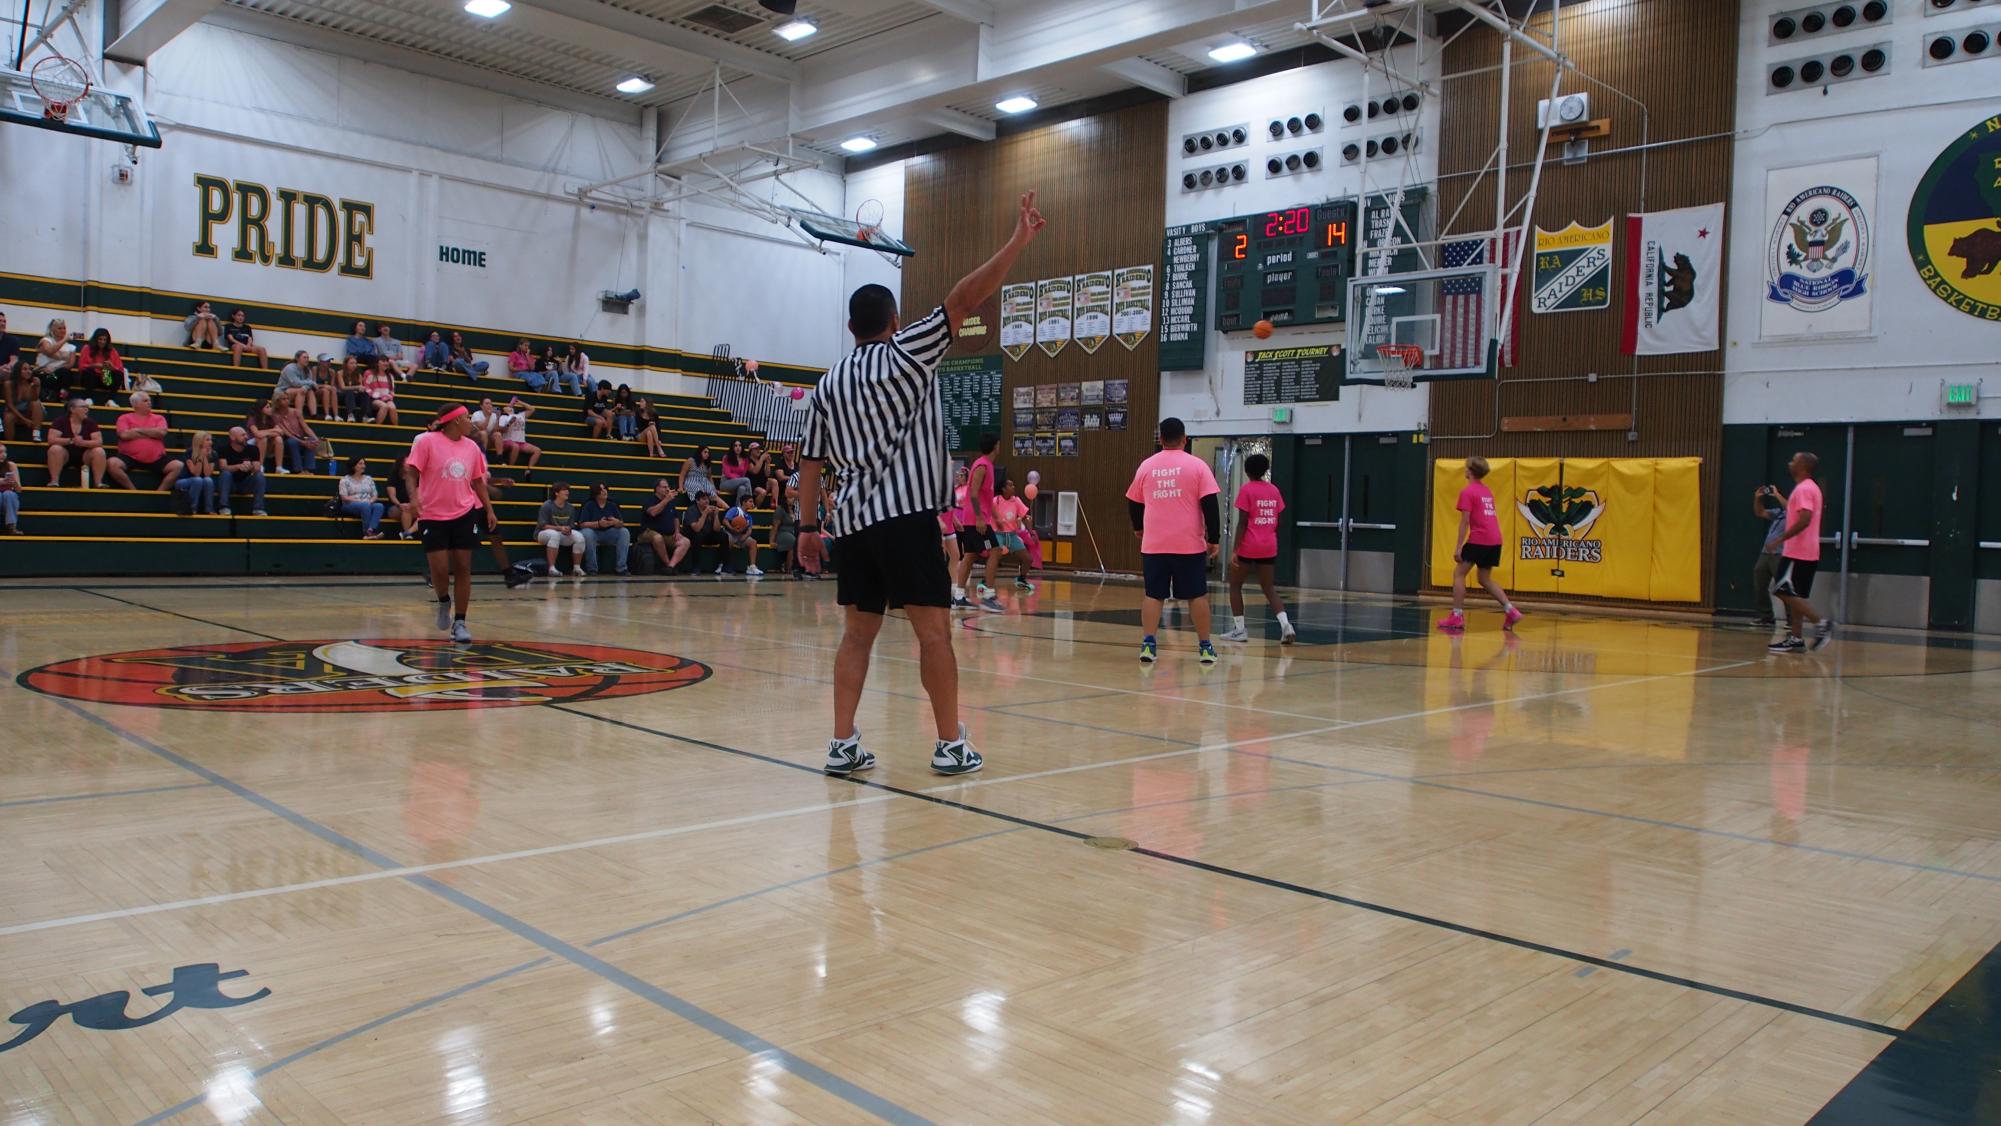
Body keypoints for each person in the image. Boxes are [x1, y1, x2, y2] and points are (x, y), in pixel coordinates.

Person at [798, 189, 1045, 778]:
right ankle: (949, 744)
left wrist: (809, 527)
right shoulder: (909, 353)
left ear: (849, 325)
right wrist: (1017, 242)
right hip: (907, 520)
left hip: (852, 524)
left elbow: (809, 463)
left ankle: (842, 744)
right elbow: (964, 297)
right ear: (894, 323)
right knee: (935, 634)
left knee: (857, 636)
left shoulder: (827, 383)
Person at [1127, 416, 1221, 665]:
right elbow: (1210, 504)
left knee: (1153, 595)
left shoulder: (1146, 466)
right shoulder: (1198, 466)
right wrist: (1215, 538)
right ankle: (1205, 647)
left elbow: (1133, 501)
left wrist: (1139, 528)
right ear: (1184, 439)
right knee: (1197, 595)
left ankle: (1148, 645)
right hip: (1188, 544)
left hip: (1155, 543)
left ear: (1159, 439)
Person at [404, 405, 495, 642]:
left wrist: (489, 509)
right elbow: (411, 473)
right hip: (432, 514)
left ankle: (461, 622)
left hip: (464, 512)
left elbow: (477, 480)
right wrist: (414, 498)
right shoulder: (425, 441)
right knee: (440, 569)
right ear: (454, 421)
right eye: (466, 417)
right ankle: (444, 601)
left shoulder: (472, 447)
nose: (470, 422)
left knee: (464, 567)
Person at [1438, 456, 1521, 633]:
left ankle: (1456, 616)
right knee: (1484, 578)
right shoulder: (1487, 491)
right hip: (1495, 539)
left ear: (1471, 471)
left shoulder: (1467, 492)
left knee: (1459, 573)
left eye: (1466, 467)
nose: (1464, 469)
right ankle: (1510, 610)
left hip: (1480, 538)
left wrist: (1459, 547)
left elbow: (1465, 521)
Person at [1220, 453, 1295, 644]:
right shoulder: (1274, 490)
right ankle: (1286, 626)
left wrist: (1235, 550)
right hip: (1269, 544)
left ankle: (1239, 630)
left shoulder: (1247, 490)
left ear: (1247, 471)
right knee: (1269, 588)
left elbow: (1243, 522)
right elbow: (1279, 519)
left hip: (1249, 545)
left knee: (1235, 585)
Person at [1769, 451, 1836, 654]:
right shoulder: (1809, 488)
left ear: (1803, 466)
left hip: (1797, 552)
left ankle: (1821, 623)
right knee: (1794, 594)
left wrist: (1781, 538)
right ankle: (1796, 639)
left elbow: (1805, 519)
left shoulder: (1805, 489)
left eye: (1794, 460)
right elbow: (1794, 510)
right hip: (1808, 552)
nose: (1790, 463)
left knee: (1781, 589)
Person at [951, 434, 1004, 609]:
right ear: (995, 446)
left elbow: (984, 496)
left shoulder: (987, 464)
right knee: (995, 550)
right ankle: (988, 595)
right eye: (998, 443)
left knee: (970, 555)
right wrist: (981, 517)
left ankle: (959, 596)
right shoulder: (982, 465)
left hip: (976, 519)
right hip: (976, 520)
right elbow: (973, 494)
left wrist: (995, 516)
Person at [46, 397, 131, 488]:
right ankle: (54, 481)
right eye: (83, 407)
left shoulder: (91, 423)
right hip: (65, 454)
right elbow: (51, 439)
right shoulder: (60, 421)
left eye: (87, 407)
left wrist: (82, 442)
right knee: (55, 449)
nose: (87, 410)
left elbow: (99, 442)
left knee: (99, 451)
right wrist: (71, 440)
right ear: (72, 409)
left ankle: (98, 483)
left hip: (85, 456)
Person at [113, 392, 183, 492]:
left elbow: (161, 433)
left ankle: (159, 492)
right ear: (135, 404)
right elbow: (124, 435)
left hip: (156, 458)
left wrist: (137, 430)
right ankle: (133, 490)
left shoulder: (159, 418)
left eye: (149, 400)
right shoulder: (124, 418)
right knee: (112, 464)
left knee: (178, 466)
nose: (149, 403)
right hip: (129, 457)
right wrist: (151, 432)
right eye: (145, 400)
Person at [1751, 484, 1788, 630]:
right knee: (1760, 583)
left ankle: (1791, 620)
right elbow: (1760, 512)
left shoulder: (1794, 513)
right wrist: (1758, 499)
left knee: (1783, 587)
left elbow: (1790, 508)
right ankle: (1766, 616)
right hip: (1765, 553)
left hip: (1780, 554)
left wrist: (1777, 494)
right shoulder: (1778, 513)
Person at [990, 476, 1036, 591]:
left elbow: (1024, 517)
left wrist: (1031, 532)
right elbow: (987, 512)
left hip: (1012, 535)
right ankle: (986, 581)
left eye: (1013, 485)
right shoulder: (995, 501)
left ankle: (1021, 578)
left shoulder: (1016, 500)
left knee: (1027, 559)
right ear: (1004, 489)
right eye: (1010, 485)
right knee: (995, 557)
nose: (1013, 487)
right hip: (997, 534)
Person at [578, 482, 632, 576]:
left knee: (624, 532)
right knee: (587, 534)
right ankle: (592, 569)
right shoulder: (589, 505)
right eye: (601, 490)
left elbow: (621, 523)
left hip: (609, 533)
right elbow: (582, 524)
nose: (604, 491)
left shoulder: (612, 505)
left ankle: (621, 568)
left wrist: (616, 522)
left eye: (605, 489)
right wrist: (598, 524)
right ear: (595, 493)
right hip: (594, 532)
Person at [536, 480, 587, 577]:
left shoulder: (570, 508)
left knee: (579, 537)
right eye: (564, 490)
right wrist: (559, 528)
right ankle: (551, 568)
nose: (567, 492)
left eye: (567, 490)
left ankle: (577, 568)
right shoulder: (547, 506)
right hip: (543, 533)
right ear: (556, 493)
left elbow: (571, 525)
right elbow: (543, 525)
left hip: (561, 533)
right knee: (554, 535)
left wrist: (568, 530)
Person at [639, 478, 691, 572]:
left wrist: (677, 531)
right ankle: (667, 564)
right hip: (648, 532)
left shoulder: (671, 502)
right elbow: (653, 512)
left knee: (685, 541)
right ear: (657, 488)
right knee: (658, 538)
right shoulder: (649, 500)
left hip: (668, 534)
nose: (667, 489)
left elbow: (676, 518)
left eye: (668, 487)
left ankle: (670, 566)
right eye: (664, 487)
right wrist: (666, 500)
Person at [215, 426, 267, 516]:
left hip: (245, 483)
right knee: (225, 474)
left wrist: (249, 467)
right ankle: (223, 506)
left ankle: (258, 508)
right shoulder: (223, 449)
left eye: (246, 434)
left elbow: (257, 468)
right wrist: (238, 466)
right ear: (232, 438)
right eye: (242, 435)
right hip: (230, 483)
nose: (246, 437)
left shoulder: (253, 449)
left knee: (259, 476)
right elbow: (223, 467)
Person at [338, 455, 387, 539]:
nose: (363, 466)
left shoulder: (368, 479)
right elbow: (343, 497)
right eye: (360, 464)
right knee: (365, 505)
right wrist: (358, 501)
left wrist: (371, 500)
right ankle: (366, 533)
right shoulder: (345, 480)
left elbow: (375, 494)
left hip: (367, 502)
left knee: (379, 506)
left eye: (364, 464)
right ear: (354, 466)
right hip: (350, 504)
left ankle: (371, 530)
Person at [71, 329, 125, 404]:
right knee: (88, 372)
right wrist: (95, 365)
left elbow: (120, 369)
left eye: (104, 340)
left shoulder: (112, 350)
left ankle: (110, 400)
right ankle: (88, 398)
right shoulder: (87, 348)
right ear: (95, 339)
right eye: (100, 339)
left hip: (105, 378)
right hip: (91, 379)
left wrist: (112, 368)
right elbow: (81, 367)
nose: (102, 341)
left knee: (118, 374)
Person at [277, 351, 335, 420]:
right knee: (301, 391)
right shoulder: (290, 368)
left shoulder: (307, 370)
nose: (307, 359)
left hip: (299, 390)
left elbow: (309, 384)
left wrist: (306, 386)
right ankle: (299, 415)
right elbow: (295, 383)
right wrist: (310, 383)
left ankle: (314, 414)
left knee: (309, 391)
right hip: (283, 391)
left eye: (307, 358)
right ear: (297, 359)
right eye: (304, 357)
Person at [273, 399, 323, 475]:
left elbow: (306, 428)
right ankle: (298, 470)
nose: (287, 401)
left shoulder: (296, 412)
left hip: (300, 438)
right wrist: (303, 442)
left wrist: (316, 439)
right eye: (283, 399)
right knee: (292, 442)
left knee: (311, 440)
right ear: (277, 402)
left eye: (287, 398)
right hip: (287, 440)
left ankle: (308, 469)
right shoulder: (276, 415)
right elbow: (287, 434)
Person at [3, 348, 43, 442]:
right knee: (8, 417)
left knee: (36, 403)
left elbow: (35, 398)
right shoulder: (8, 384)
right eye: (24, 369)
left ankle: (36, 434)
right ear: (18, 371)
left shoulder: (34, 382)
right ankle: (10, 443)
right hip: (14, 411)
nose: (28, 371)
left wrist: (35, 387)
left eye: (30, 369)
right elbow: (9, 405)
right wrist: (24, 419)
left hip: (31, 412)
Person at [496, 398, 541, 479]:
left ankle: (529, 470)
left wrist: (520, 402)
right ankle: (510, 469)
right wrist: (509, 422)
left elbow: (532, 409)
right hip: (508, 440)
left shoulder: (521, 415)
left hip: (521, 442)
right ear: (503, 409)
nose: (509, 406)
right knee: (515, 446)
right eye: (506, 406)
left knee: (537, 450)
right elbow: (501, 429)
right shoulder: (503, 417)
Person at [176, 430, 218, 515]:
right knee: (197, 480)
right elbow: (195, 473)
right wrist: (200, 457)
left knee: (208, 480)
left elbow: (207, 474)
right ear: (200, 441)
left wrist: (205, 457)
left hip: (201, 480)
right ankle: (192, 508)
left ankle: (209, 509)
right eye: (208, 440)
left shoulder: (213, 454)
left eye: (211, 440)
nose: (211, 442)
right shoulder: (190, 452)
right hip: (184, 481)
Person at [245, 399, 285, 472]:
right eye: (267, 407)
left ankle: (279, 467)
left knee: (278, 438)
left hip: (266, 442)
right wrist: (271, 430)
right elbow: (256, 434)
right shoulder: (252, 418)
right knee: (262, 438)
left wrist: (266, 433)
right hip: (252, 443)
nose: (270, 409)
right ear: (261, 409)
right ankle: (260, 465)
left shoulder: (272, 417)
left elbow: (280, 432)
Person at [35, 319, 75, 387]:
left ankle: (62, 395)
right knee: (49, 377)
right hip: (43, 371)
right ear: (52, 329)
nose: (63, 330)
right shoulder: (46, 341)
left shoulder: (71, 347)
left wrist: (55, 369)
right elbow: (49, 351)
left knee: (65, 374)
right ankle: (47, 396)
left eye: (64, 328)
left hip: (57, 373)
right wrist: (65, 339)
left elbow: (70, 364)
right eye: (60, 328)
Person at [327, 354, 367, 422]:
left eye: (355, 363)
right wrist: (356, 387)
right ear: (346, 364)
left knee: (365, 395)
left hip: (354, 395)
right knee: (349, 392)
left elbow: (361, 387)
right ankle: (350, 414)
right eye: (351, 363)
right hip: (342, 395)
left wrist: (360, 389)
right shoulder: (340, 373)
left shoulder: (358, 375)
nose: (354, 365)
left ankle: (365, 416)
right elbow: (342, 387)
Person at [718, 439, 756, 506]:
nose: (738, 447)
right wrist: (739, 478)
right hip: (726, 482)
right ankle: (751, 501)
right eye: (735, 446)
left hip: (738, 482)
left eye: (740, 445)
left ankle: (738, 509)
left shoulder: (745, 459)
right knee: (746, 480)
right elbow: (727, 473)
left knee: (742, 488)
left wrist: (739, 479)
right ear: (732, 448)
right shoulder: (726, 458)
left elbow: (743, 474)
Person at [363, 357, 400, 425]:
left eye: (386, 361)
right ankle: (377, 426)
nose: (385, 363)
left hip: (386, 398)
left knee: (393, 408)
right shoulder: (369, 373)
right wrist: (378, 396)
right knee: (384, 406)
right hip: (373, 399)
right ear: (377, 363)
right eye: (383, 361)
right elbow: (366, 387)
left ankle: (396, 428)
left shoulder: (390, 376)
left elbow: (392, 390)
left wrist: (387, 397)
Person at [386, 455, 415, 538]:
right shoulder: (394, 477)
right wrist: (399, 504)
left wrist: (412, 504)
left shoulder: (415, 478)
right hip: (394, 506)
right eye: (407, 463)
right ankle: (407, 533)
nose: (410, 464)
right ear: (401, 464)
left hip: (411, 506)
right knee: (406, 508)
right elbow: (392, 496)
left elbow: (418, 494)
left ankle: (408, 532)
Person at [0, 444, 21, 533]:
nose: (3, 454)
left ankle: (12, 526)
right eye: (0, 452)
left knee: (10, 494)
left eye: (5, 452)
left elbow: (19, 489)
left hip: (6, 497)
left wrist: (14, 482)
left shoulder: (11, 465)